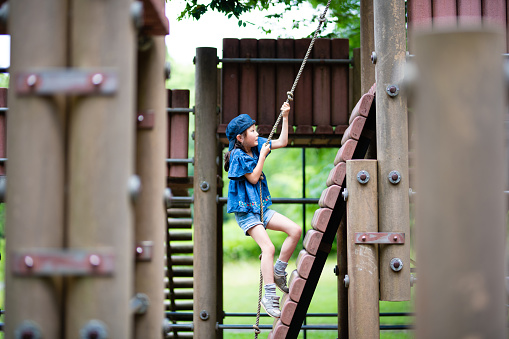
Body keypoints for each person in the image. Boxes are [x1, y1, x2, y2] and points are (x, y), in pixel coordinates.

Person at [223, 102, 302, 318]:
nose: (257, 134)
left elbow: (283, 142)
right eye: (252, 131)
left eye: (255, 130)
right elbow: (254, 177)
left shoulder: (257, 147)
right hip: (246, 213)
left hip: (260, 209)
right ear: (240, 137)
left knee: (295, 230)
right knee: (267, 248)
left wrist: (285, 117)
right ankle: (268, 296)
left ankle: (278, 271)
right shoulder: (237, 156)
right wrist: (263, 156)